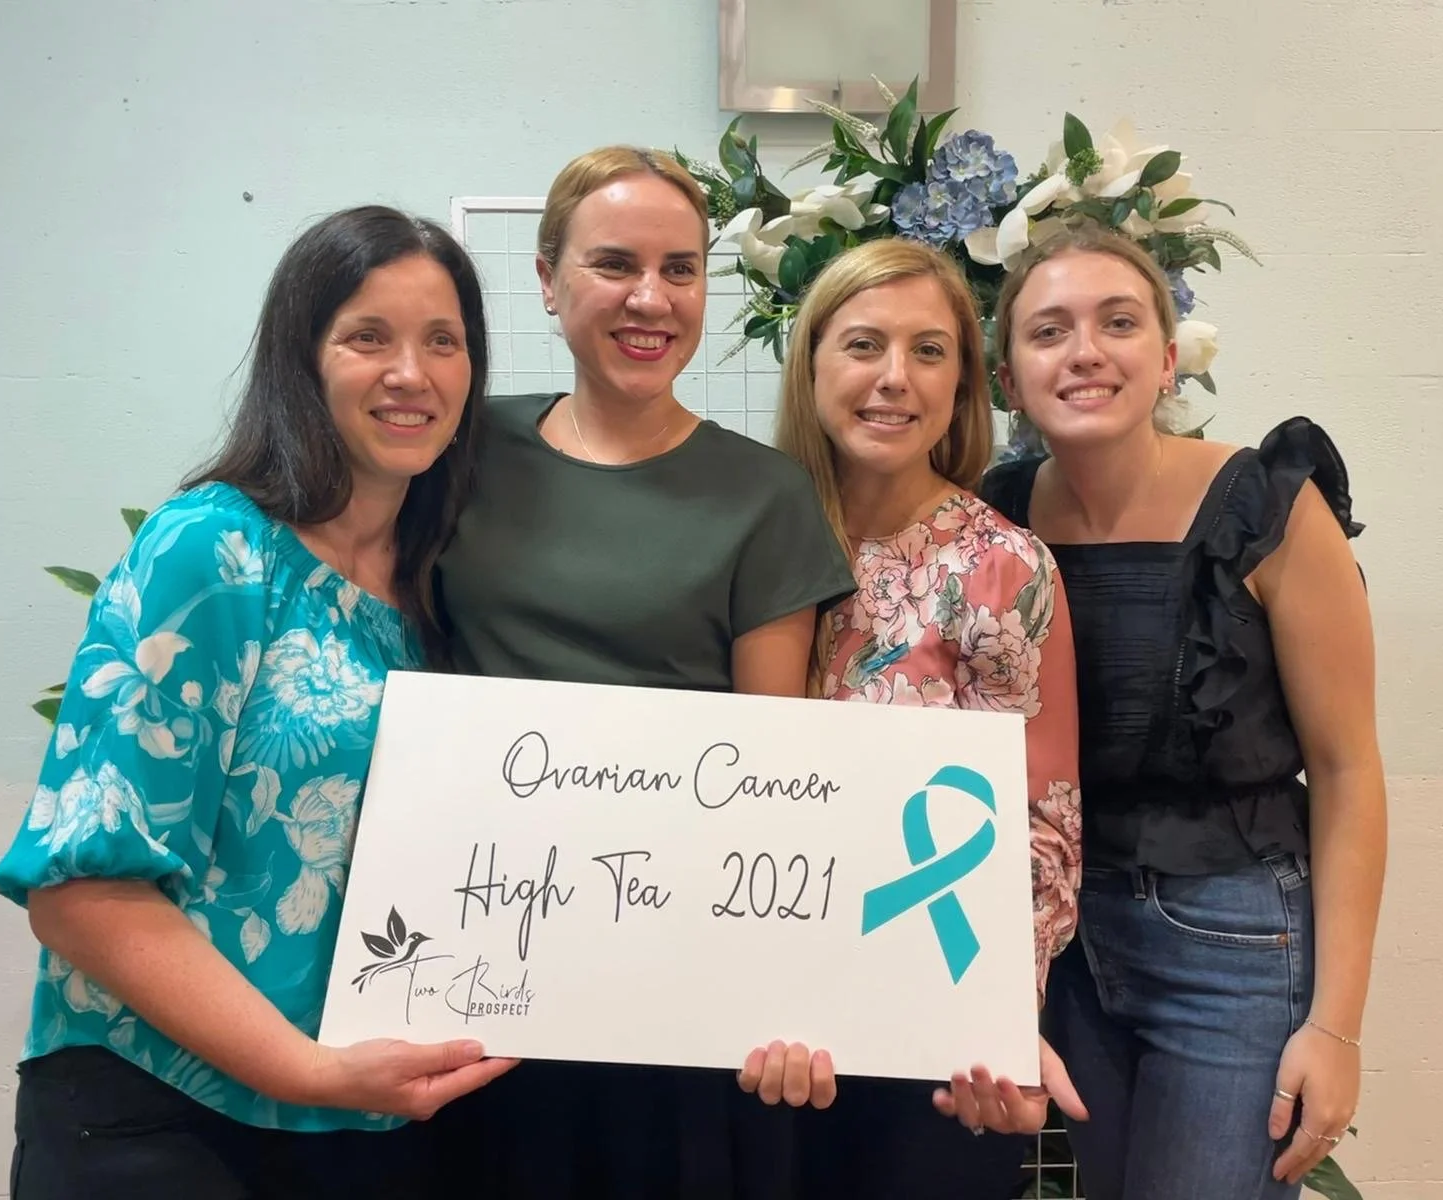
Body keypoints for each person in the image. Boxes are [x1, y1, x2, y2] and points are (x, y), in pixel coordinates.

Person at [0, 205, 514, 1200]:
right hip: (157, 1116)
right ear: (301, 359)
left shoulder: (436, 599)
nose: (412, 373)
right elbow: (81, 896)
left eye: (442, 342)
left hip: (362, 1123)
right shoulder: (215, 550)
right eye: (369, 336)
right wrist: (308, 1069)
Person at [432, 146, 855, 1198]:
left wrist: (790, 995)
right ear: (545, 279)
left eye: (680, 268)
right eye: (613, 263)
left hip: (675, 982)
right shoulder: (460, 450)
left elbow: (774, 776)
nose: (649, 298)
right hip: (476, 963)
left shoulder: (765, 498)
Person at [978, 221, 1387, 1199]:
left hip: (1233, 940)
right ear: (1005, 378)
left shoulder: (1269, 510)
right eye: (1049, 331)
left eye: (1117, 323)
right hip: (1065, 949)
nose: (1085, 352)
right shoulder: (990, 517)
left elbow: (1346, 771)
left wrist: (1335, 1028)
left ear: (1164, 360)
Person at [769, 236, 1085, 1199]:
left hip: (929, 1022)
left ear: (964, 385)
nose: (894, 379)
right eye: (864, 344)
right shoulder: (743, 536)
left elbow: (1045, 817)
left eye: (930, 351)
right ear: (813, 362)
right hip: (756, 1013)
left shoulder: (1004, 569)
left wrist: (996, 1016)